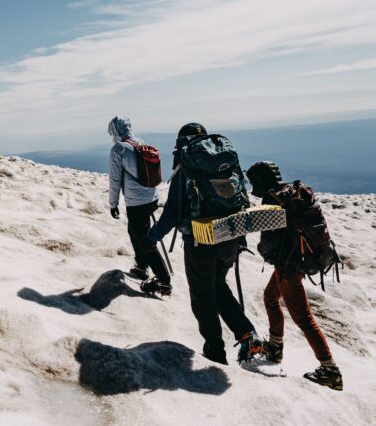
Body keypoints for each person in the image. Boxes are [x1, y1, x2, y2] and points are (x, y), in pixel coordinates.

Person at [148, 123, 262, 365]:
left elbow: (172, 212)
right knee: (217, 285)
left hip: (201, 241)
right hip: (230, 236)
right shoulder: (225, 160)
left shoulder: (188, 166)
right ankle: (246, 333)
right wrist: (241, 237)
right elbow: (241, 198)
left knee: (202, 297)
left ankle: (215, 352)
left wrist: (151, 238)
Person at [246, 161, 343, 391]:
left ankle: (330, 370)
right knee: (270, 297)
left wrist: (263, 251)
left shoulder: (273, 200)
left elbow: (269, 241)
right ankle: (275, 347)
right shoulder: (293, 193)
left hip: (288, 266)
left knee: (304, 318)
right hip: (297, 260)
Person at [107, 116, 172, 296]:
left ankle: (164, 281)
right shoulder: (140, 143)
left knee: (144, 239)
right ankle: (142, 266)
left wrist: (113, 203)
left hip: (136, 201)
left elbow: (114, 179)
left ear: (114, 130)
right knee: (134, 231)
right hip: (152, 197)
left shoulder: (119, 149)